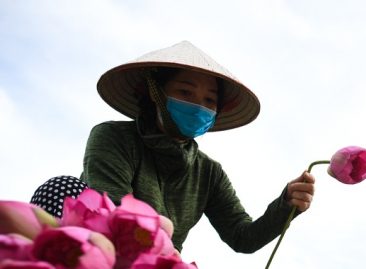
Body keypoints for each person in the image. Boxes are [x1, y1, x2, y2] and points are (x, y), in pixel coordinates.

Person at [33, 41, 315, 254]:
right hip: (99, 251)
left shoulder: (210, 174)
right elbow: (119, 214)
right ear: (155, 93)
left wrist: (286, 205)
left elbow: (242, 237)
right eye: (185, 92)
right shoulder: (112, 137)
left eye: (209, 99)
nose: (199, 105)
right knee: (62, 187)